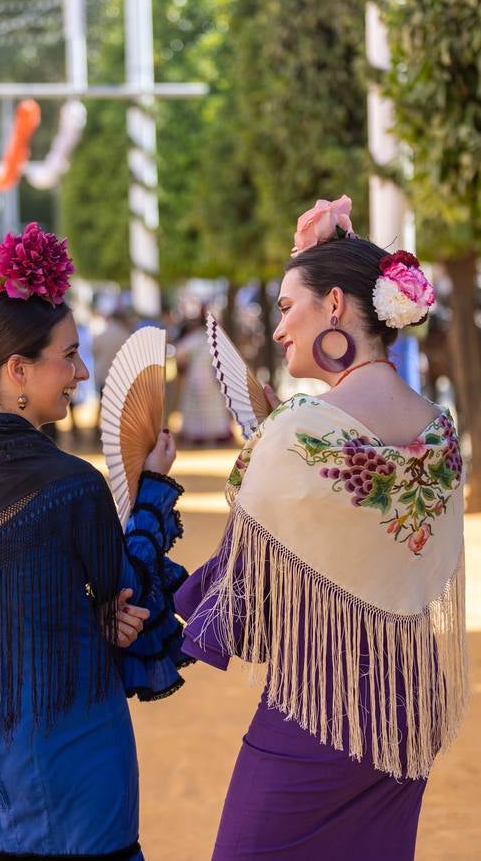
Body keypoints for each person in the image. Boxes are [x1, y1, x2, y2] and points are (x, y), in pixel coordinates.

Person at [175, 196, 467, 860]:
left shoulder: (297, 431)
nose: (278, 330)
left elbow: (240, 594)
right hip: (407, 702)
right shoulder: (442, 433)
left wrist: (157, 607)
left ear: (334, 306)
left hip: (321, 705)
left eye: (285, 307)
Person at [0, 223, 190, 861]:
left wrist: (94, 613)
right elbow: (132, 596)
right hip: (75, 742)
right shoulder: (70, 484)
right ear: (19, 369)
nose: (82, 373)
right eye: (71, 354)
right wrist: (153, 495)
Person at [175, 312, 232, 445]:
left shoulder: (193, 338)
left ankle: (196, 435)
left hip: (194, 376)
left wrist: (185, 366)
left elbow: (179, 355)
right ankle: (213, 435)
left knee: (196, 405)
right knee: (212, 404)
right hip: (210, 376)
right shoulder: (215, 338)